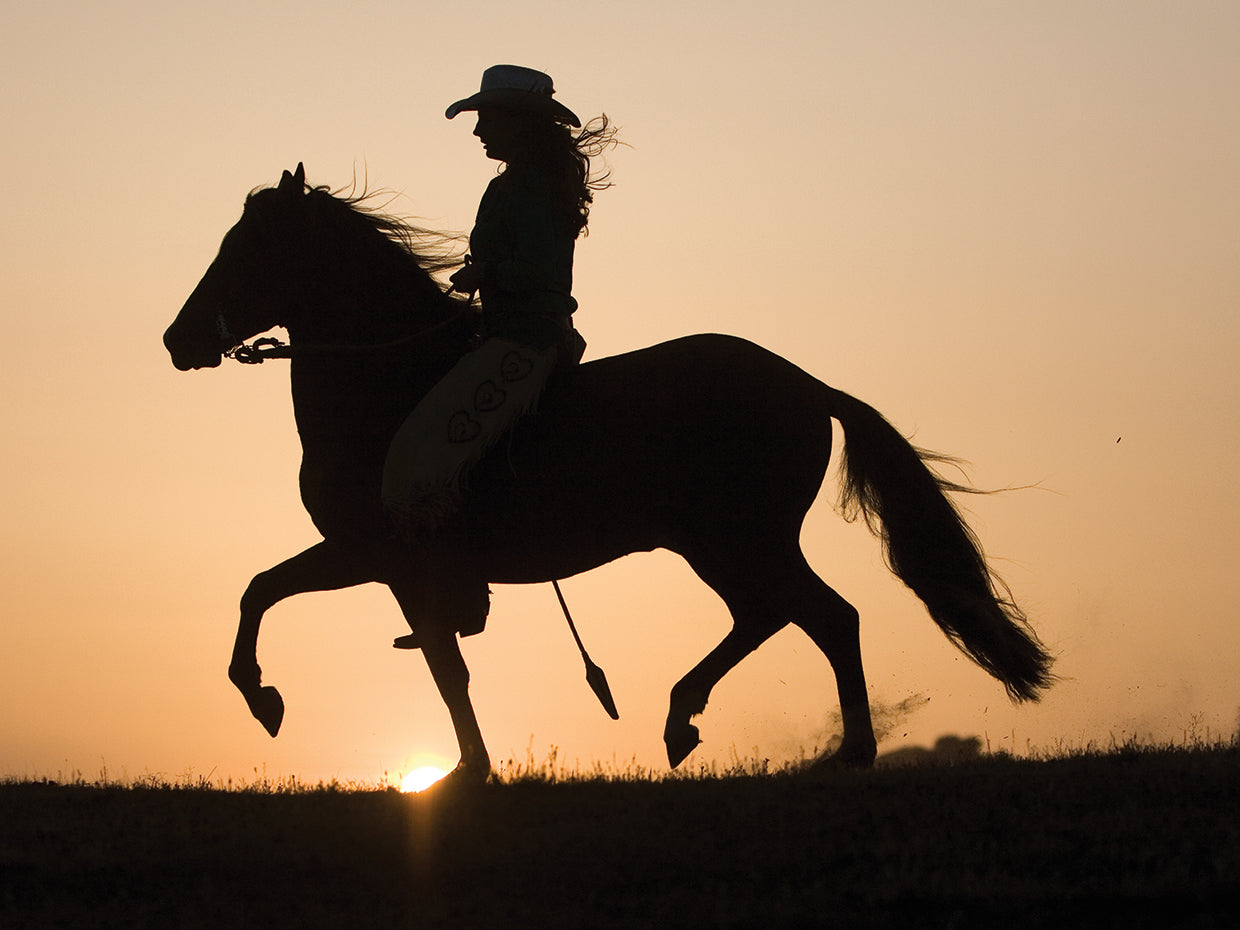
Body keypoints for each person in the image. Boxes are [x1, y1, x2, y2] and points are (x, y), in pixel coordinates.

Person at [381, 65, 618, 644]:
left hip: (526, 341)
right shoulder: (527, 182)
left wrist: (486, 273)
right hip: (512, 332)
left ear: (519, 123)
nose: (478, 130)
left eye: (487, 118)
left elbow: (538, 268)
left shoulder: (527, 185)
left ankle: (460, 600)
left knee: (426, 452)